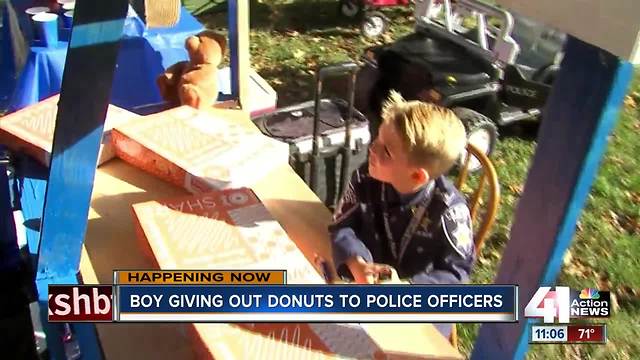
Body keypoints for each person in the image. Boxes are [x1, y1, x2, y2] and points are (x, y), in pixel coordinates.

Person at [330, 90, 475, 286]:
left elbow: (457, 275)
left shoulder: (450, 212)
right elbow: (342, 224)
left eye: (387, 151)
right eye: (377, 137)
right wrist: (356, 261)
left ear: (416, 176)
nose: (372, 148)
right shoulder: (365, 176)